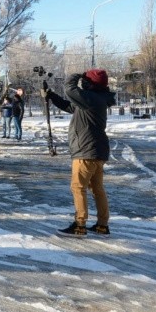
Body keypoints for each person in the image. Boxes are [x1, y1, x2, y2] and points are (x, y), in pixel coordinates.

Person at [43, 69, 116, 237]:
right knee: (97, 188)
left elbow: (69, 88)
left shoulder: (90, 98)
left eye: (86, 81)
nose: (83, 83)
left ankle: (80, 224)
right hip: (97, 151)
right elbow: (70, 107)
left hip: (86, 151)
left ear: (91, 83)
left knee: (78, 187)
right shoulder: (96, 99)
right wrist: (52, 96)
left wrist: (79, 73)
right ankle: (102, 224)